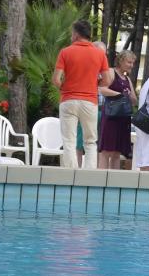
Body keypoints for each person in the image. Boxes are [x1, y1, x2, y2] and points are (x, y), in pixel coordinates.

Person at [52, 19, 113, 169]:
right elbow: (107, 80)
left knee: (69, 141)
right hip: (89, 101)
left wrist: (65, 88)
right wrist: (94, 85)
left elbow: (56, 79)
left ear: (76, 34)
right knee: (90, 141)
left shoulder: (65, 52)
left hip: (68, 100)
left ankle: (70, 173)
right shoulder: (99, 54)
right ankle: (89, 174)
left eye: (72, 33)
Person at [98, 50, 137, 169]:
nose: (131, 65)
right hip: (111, 117)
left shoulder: (127, 78)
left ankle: (114, 178)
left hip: (123, 118)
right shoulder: (111, 72)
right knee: (106, 151)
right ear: (120, 61)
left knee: (117, 152)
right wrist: (120, 94)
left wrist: (129, 95)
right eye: (129, 62)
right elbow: (102, 89)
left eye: (133, 63)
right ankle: (101, 177)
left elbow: (134, 100)